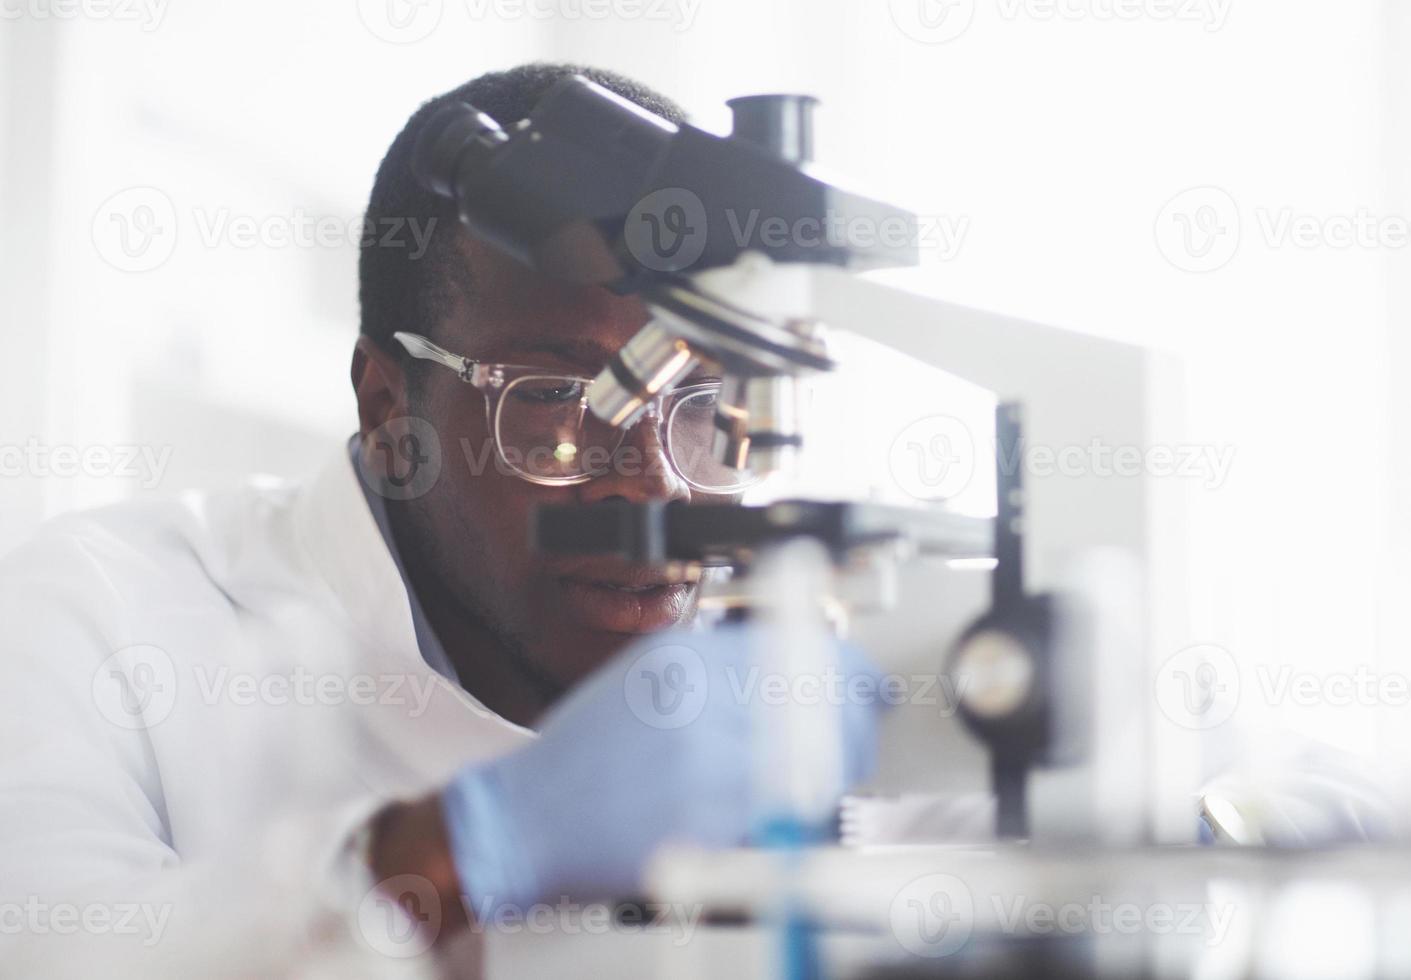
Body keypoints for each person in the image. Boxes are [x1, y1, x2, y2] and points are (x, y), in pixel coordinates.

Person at [0, 62, 878, 973]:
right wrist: (458, 850)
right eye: (553, 402)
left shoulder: (787, 666)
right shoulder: (93, 623)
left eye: (699, 404)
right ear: (389, 413)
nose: (652, 489)